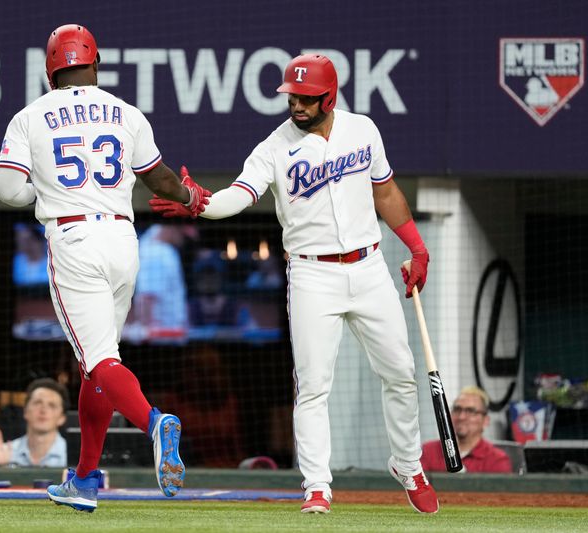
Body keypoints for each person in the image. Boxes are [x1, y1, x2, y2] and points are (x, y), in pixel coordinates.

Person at [150, 54, 437, 514]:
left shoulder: (363, 129)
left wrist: (417, 249)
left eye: (307, 98)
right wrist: (197, 203)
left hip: (369, 266)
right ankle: (317, 486)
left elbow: (384, 191)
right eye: (292, 97)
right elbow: (238, 196)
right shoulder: (274, 147)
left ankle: (408, 465)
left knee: (401, 374)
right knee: (313, 386)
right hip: (312, 273)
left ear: (330, 95)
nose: (297, 106)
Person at [0, 23, 211, 512]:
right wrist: (192, 196)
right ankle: (86, 480)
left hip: (73, 239)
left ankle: (155, 423)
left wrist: (39, 195)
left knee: (99, 361)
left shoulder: (30, 116)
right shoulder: (126, 113)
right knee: (96, 366)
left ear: (50, 69)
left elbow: (7, 189)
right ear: (96, 63)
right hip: (123, 238)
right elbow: (159, 177)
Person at [421, 386, 512, 473]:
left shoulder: (497, 460)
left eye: (470, 411)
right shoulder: (428, 452)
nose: (461, 417)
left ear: (485, 420)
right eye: (457, 409)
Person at [129, 224, 194, 343]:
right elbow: (147, 297)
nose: (183, 242)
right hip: (162, 339)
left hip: (166, 335)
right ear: (172, 228)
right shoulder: (158, 251)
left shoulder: (152, 245)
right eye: (183, 236)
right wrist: (147, 334)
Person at [0, 378, 69, 467]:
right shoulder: (4, 452)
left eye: (52, 405)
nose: (43, 410)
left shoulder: (76, 455)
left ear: (62, 418)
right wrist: (1, 468)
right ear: (25, 411)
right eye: (37, 403)